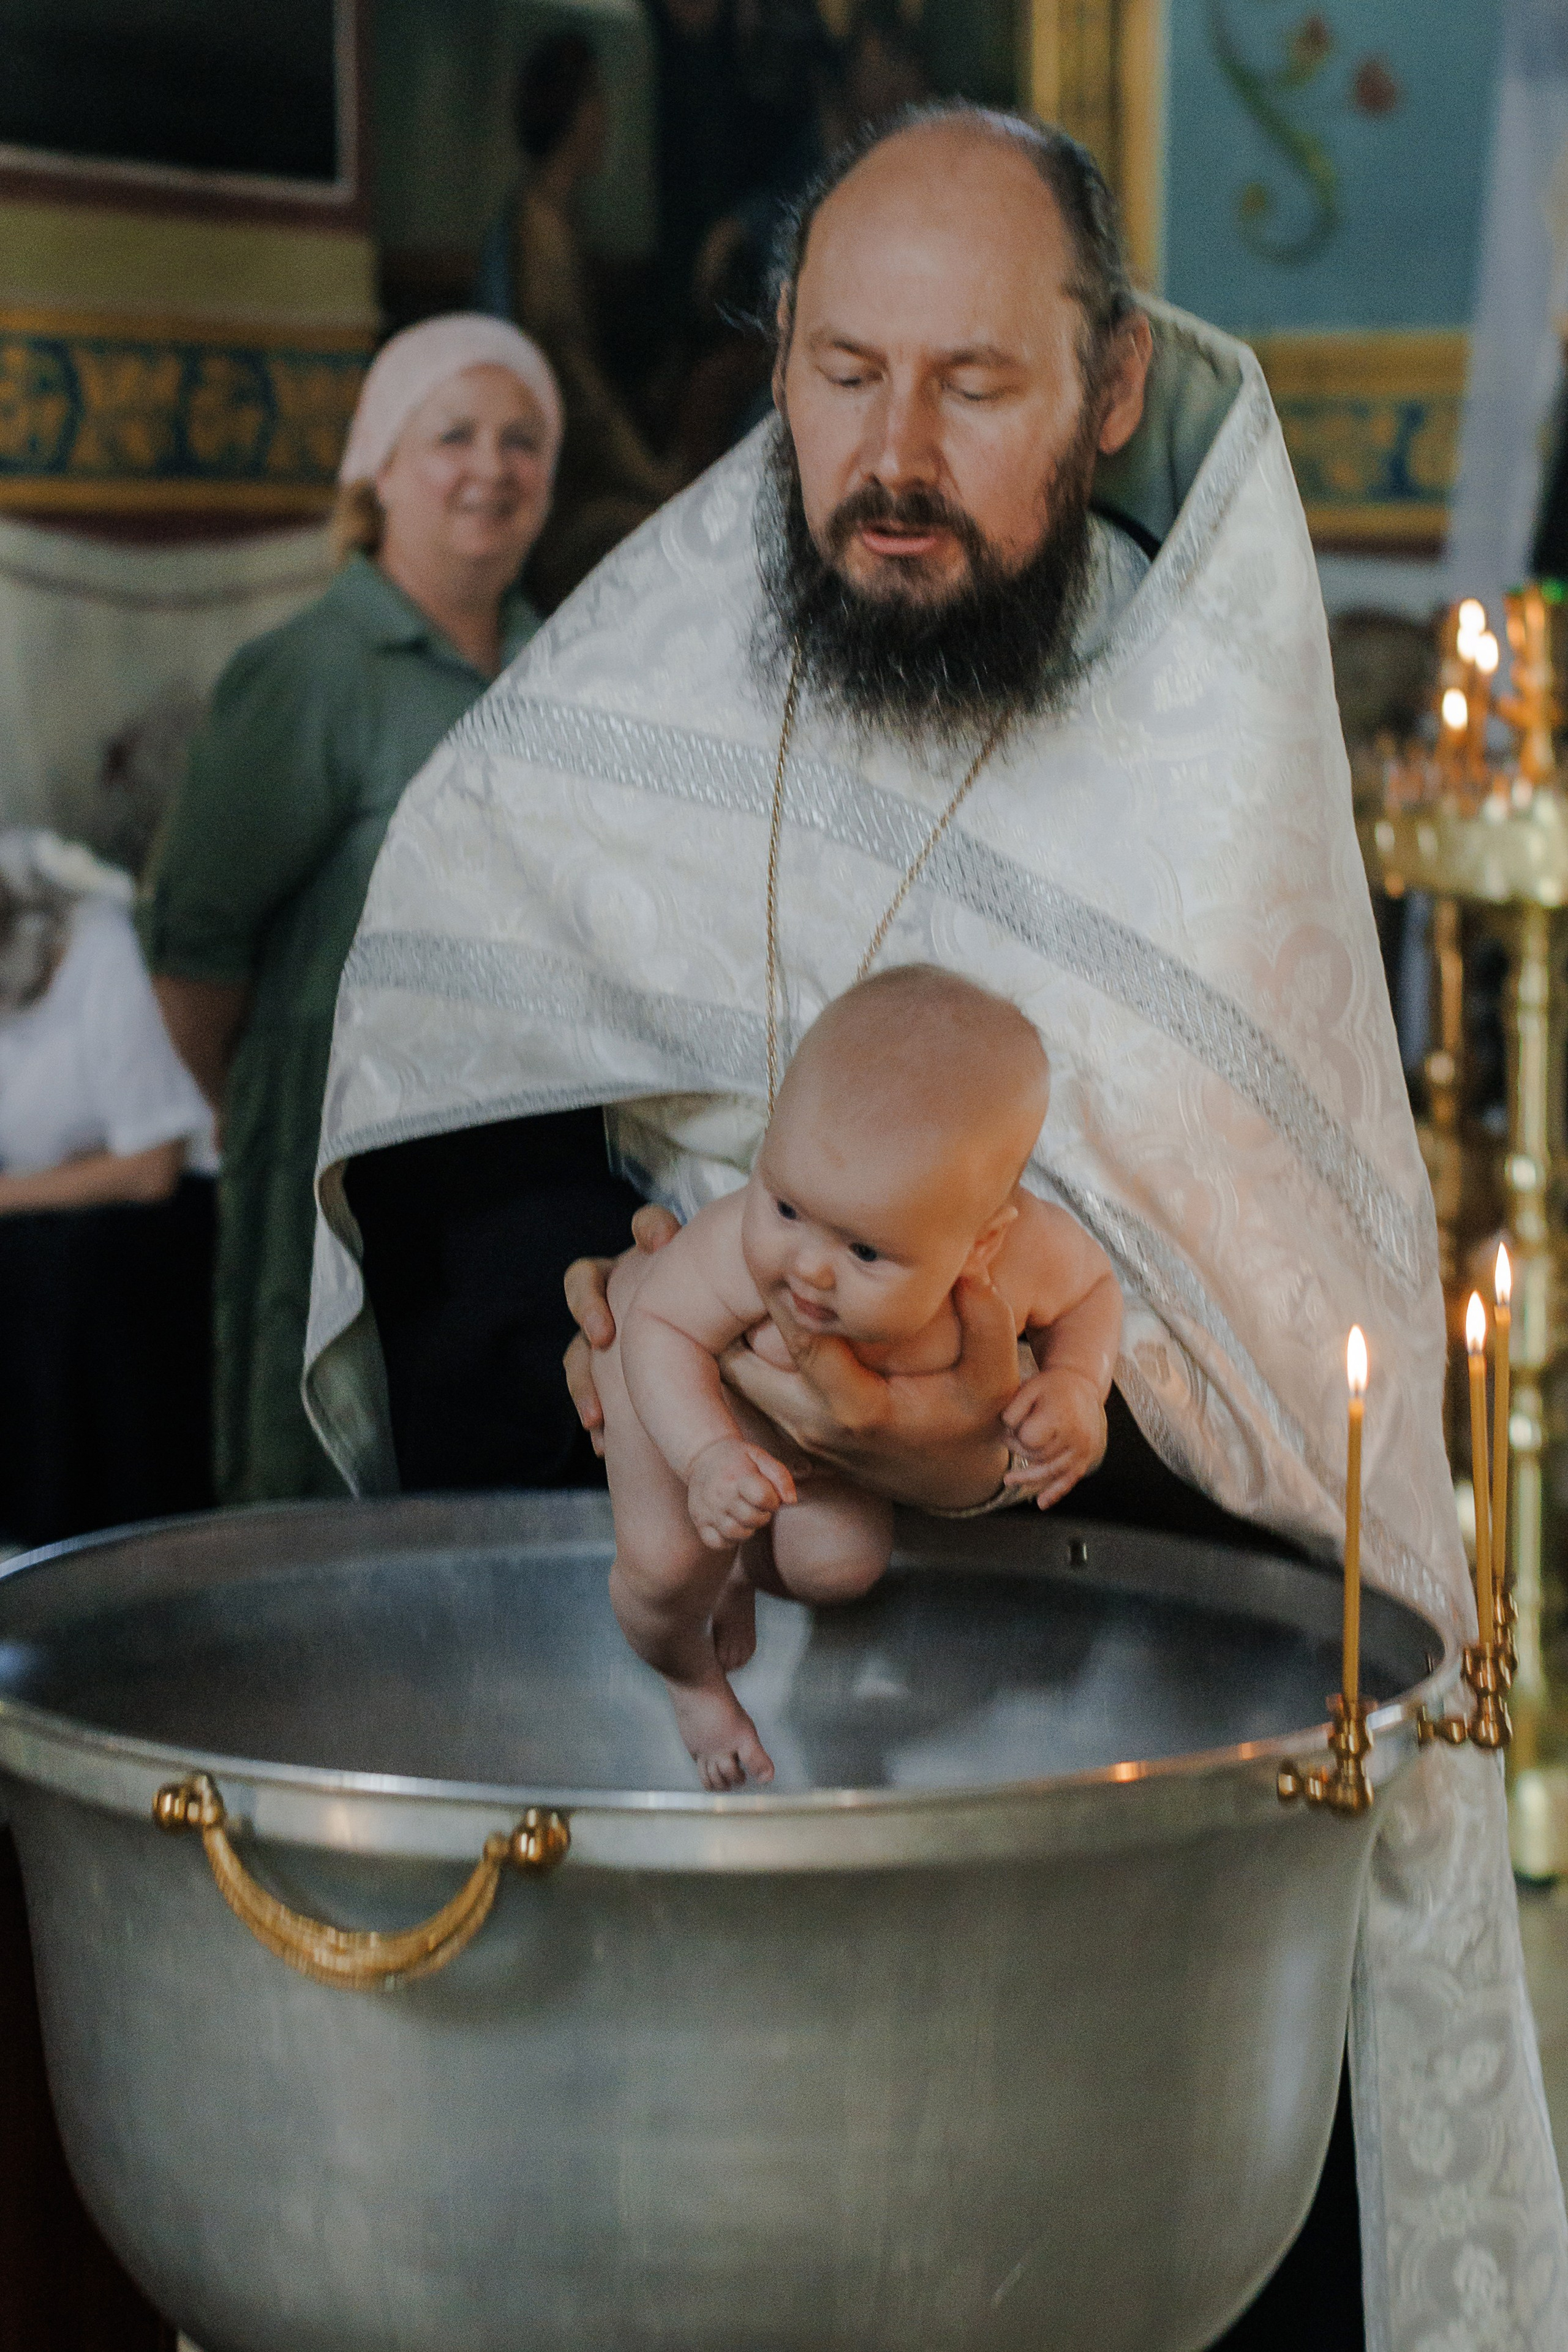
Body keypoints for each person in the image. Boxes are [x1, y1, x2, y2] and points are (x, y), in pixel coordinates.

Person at [306, 106, 1568, 2347]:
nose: (890, 454)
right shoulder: (614, 705)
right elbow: (448, 1101)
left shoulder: (1200, 803)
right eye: (837, 371)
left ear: (1100, 392)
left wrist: (1000, 1424)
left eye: (971, 387)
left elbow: (1283, 1389)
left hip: (1093, 1824)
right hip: (674, 1794)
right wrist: (612, 1322)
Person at [141, 315, 561, 1505]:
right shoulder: (311, 671)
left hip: (493, 1166)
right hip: (331, 1156)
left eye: (523, 440)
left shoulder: (560, 663)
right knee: (320, 1479)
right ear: (378, 466)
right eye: (453, 436)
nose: (492, 466)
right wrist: (276, 1109)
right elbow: (195, 955)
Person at [603, 966, 1120, 1787]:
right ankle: (687, 1678)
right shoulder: (742, 1246)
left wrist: (1077, 1389)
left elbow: (1094, 1292)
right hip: (683, 1393)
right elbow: (658, 1328)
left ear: (982, 1242)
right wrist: (704, 1456)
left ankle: (741, 1566)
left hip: (822, 1455)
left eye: (866, 1252)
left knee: (835, 1569)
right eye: (787, 1208)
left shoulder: (1022, 1258)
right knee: (667, 1569)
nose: (807, 1271)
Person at [0, 832, 216, 1542]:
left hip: (164, 1214)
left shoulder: (98, 945)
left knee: (63, 1270)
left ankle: (82, 1536)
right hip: (49, 1209)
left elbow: (151, 1165)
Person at [477, 32, 679, 610]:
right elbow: (576, 387)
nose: (606, 121)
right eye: (596, 103)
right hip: (559, 493)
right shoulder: (537, 230)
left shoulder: (562, 220)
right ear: (574, 115)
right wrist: (651, 476)